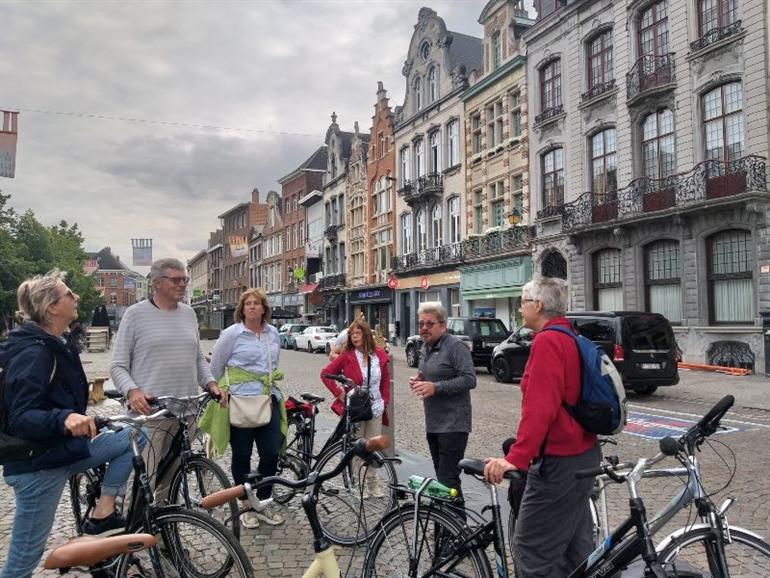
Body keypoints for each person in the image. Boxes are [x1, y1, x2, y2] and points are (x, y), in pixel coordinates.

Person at [0, 270, 141, 578]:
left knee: (132, 435)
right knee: (22, 562)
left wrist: (85, 417)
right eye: (68, 294)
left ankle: (103, 513)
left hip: (62, 449)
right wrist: (64, 418)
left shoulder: (58, 343)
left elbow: (57, 398)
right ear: (52, 307)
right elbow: (20, 417)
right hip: (37, 465)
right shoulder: (35, 352)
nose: (75, 297)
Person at [483, 277, 600, 578]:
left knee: (529, 549)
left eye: (522, 302)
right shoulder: (571, 336)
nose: (520, 309)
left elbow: (540, 409)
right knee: (575, 549)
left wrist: (516, 458)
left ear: (538, 305)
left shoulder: (548, 341)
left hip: (559, 462)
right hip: (584, 454)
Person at [110, 258, 225, 502]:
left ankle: (163, 529)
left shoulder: (189, 314)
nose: (182, 284)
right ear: (157, 283)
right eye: (176, 280)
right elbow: (118, 365)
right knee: (146, 479)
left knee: (172, 479)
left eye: (184, 279)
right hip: (151, 415)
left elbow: (197, 359)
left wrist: (212, 384)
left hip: (187, 412)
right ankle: (138, 532)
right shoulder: (135, 315)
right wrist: (132, 392)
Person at [209, 288, 285, 528]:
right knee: (241, 455)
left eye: (256, 303)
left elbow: (273, 364)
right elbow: (216, 366)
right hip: (240, 401)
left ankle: (262, 499)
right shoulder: (232, 334)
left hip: (266, 399)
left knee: (271, 453)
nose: (251, 307)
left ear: (264, 308)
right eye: (247, 304)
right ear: (241, 310)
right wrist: (221, 390)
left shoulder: (273, 333)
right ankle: (245, 503)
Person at [408, 302, 476, 501]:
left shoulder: (455, 346)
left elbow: (469, 379)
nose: (424, 328)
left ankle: (452, 529)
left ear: (443, 326)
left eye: (429, 324)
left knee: (448, 481)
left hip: (454, 425)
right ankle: (449, 529)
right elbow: (431, 376)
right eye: (421, 324)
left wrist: (435, 387)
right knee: (442, 480)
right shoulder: (425, 347)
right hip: (434, 423)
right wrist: (420, 381)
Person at [320, 318, 391, 494]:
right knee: (357, 446)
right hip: (357, 407)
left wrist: (385, 400)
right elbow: (325, 374)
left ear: (366, 334)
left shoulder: (379, 354)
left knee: (373, 446)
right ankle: (357, 484)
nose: (354, 337)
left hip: (375, 406)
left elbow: (385, 380)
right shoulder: (347, 356)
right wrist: (340, 394)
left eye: (358, 333)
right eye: (352, 334)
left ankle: (372, 482)